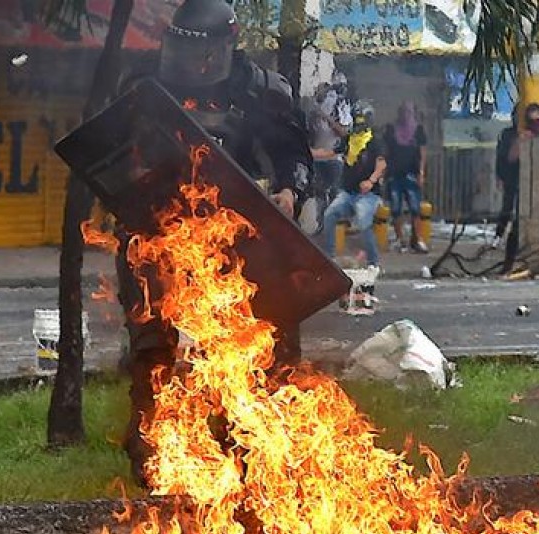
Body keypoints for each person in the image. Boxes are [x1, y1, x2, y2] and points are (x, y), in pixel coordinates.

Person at [116, 0, 314, 484]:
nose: (192, 66)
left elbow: (295, 157)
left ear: (227, 46)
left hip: (239, 239)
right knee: (152, 347)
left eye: (202, 55)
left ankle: (253, 453)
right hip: (159, 237)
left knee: (264, 343)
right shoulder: (142, 86)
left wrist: (289, 191)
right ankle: (155, 455)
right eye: (183, 54)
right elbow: (113, 149)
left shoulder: (262, 92)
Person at [322, 99, 387, 269]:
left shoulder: (375, 141)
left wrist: (371, 181)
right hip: (348, 193)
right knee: (330, 215)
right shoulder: (350, 139)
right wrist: (309, 153)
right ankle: (329, 257)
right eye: (356, 117)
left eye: (361, 118)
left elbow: (381, 164)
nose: (358, 121)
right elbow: (330, 152)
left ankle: (373, 263)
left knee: (363, 221)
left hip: (368, 195)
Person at [494, 102, 539, 273]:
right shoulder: (513, 136)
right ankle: (507, 259)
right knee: (513, 217)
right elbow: (507, 158)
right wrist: (521, 141)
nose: (535, 125)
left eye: (538, 120)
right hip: (517, 182)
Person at [299, 81, 351, 235]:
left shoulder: (338, 106)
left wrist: (325, 117)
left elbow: (343, 132)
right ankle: (322, 228)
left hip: (333, 158)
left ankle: (336, 230)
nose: (320, 92)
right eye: (318, 89)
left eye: (323, 89)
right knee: (317, 194)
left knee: (334, 194)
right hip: (315, 157)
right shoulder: (311, 106)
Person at [384, 101, 428, 254]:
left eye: (408, 112)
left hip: (411, 174)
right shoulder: (391, 130)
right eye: (403, 112)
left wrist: (421, 172)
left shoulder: (418, 130)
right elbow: (386, 151)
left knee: (415, 209)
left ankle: (417, 239)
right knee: (396, 209)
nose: (405, 115)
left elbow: (422, 152)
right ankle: (400, 239)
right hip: (394, 175)